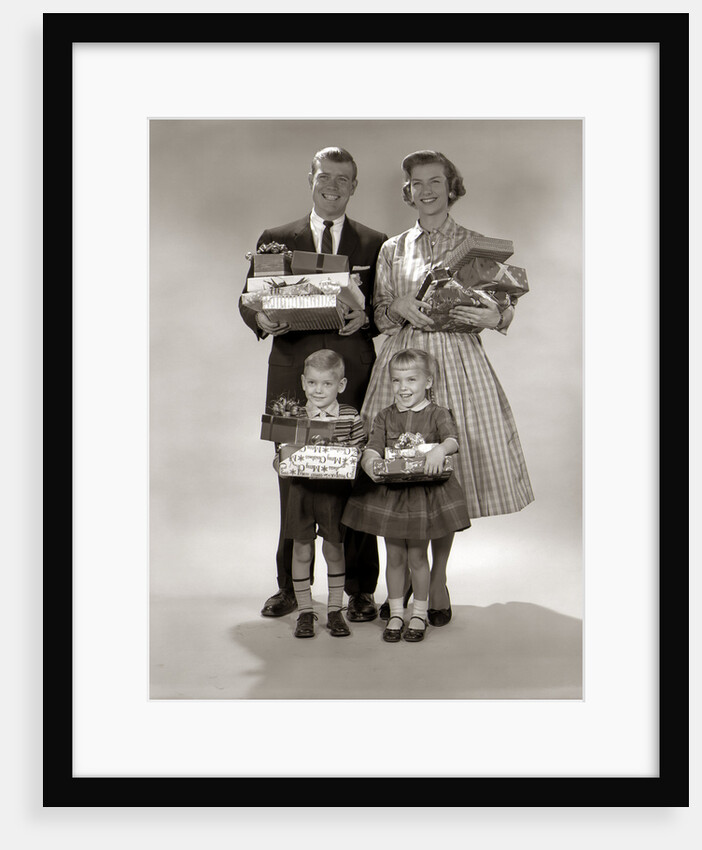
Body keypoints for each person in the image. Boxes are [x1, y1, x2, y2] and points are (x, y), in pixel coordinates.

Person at [360, 150, 535, 626]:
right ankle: (404, 581)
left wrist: (496, 316)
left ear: (451, 186)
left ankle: (435, 579)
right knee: (399, 466)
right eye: (416, 183)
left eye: (435, 181)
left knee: (441, 472)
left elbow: (503, 307)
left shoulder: (477, 244)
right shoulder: (393, 249)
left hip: (458, 363)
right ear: (408, 191)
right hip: (403, 367)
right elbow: (376, 316)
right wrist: (396, 305)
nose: (426, 190)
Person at [239, 146, 388, 621]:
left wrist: (367, 317)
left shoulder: (375, 242)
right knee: (293, 476)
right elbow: (248, 300)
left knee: (358, 475)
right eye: (326, 176)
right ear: (311, 178)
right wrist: (262, 314)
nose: (333, 185)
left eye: (344, 179)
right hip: (291, 375)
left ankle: (363, 591)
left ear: (354, 186)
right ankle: (289, 587)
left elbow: (382, 310)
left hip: (353, 373)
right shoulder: (275, 238)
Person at [342, 349, 470, 642]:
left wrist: (440, 449)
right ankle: (397, 611)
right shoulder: (384, 416)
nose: (403, 388)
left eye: (411, 379)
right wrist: (368, 461)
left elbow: (452, 439)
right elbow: (372, 447)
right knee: (395, 556)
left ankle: (419, 613)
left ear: (428, 382)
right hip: (393, 498)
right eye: (397, 381)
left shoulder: (438, 413)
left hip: (423, 497)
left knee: (417, 557)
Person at [276, 350, 366, 639]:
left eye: (327, 384)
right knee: (302, 548)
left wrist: (351, 456)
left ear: (340, 385)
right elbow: (280, 454)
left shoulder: (351, 416)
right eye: (312, 383)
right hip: (301, 491)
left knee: (334, 548)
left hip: (334, 493)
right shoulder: (293, 415)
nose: (318, 390)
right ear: (303, 382)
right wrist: (280, 463)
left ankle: (335, 609)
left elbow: (361, 450)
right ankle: (305, 610)